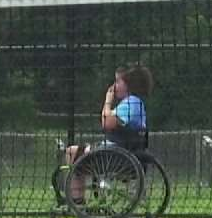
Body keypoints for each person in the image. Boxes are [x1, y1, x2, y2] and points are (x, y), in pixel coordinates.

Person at [64, 63, 153, 202]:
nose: (114, 86)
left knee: (71, 152)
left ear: (128, 84)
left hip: (115, 157)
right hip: (120, 154)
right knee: (79, 154)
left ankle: (77, 203)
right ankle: (79, 200)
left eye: (118, 81)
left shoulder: (131, 103)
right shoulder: (135, 104)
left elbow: (107, 122)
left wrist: (107, 102)